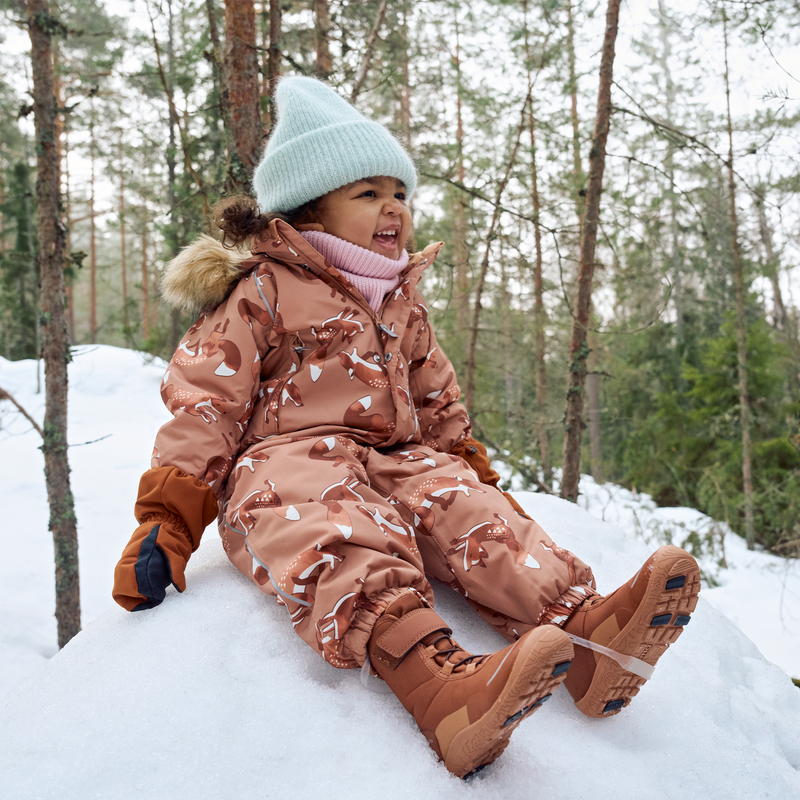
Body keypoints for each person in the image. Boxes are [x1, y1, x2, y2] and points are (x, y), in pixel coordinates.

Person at [113, 76, 700, 779]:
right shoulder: (263, 290)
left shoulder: (400, 299)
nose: (392, 208)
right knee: (333, 521)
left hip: (395, 455)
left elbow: (435, 393)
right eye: (367, 194)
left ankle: (588, 637)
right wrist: (167, 520)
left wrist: (469, 471)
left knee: (458, 501)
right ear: (313, 209)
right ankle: (437, 684)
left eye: (399, 193)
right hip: (283, 464)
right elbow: (206, 399)